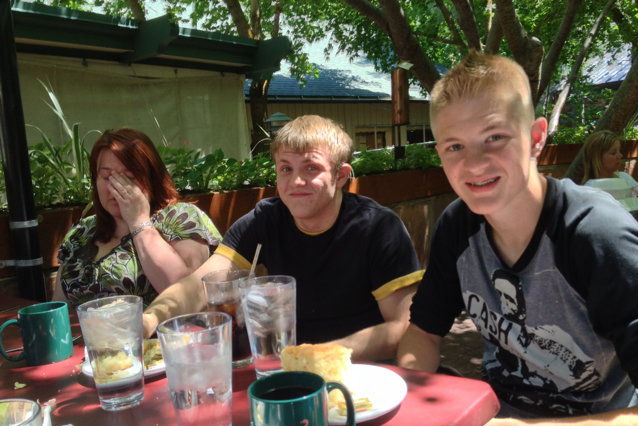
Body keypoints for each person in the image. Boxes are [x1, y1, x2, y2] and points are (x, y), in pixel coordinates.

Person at [397, 51, 638, 426]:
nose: (474, 163)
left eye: (495, 137)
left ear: (536, 137)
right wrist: (411, 408)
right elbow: (423, 333)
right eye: (455, 146)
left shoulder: (597, 236)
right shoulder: (458, 226)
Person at [143, 115, 423, 361]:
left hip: (362, 372)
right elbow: (198, 285)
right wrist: (148, 320)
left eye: (311, 168)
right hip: (286, 367)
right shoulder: (265, 220)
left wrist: (318, 355)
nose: (296, 182)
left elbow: (403, 328)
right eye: (286, 169)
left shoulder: (378, 227)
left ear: (340, 176)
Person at [52, 128, 221, 309]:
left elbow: (186, 297)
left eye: (128, 177)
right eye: (106, 177)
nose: (116, 186)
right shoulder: (81, 232)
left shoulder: (180, 217)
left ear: (151, 178)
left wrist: (138, 221)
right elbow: (57, 308)